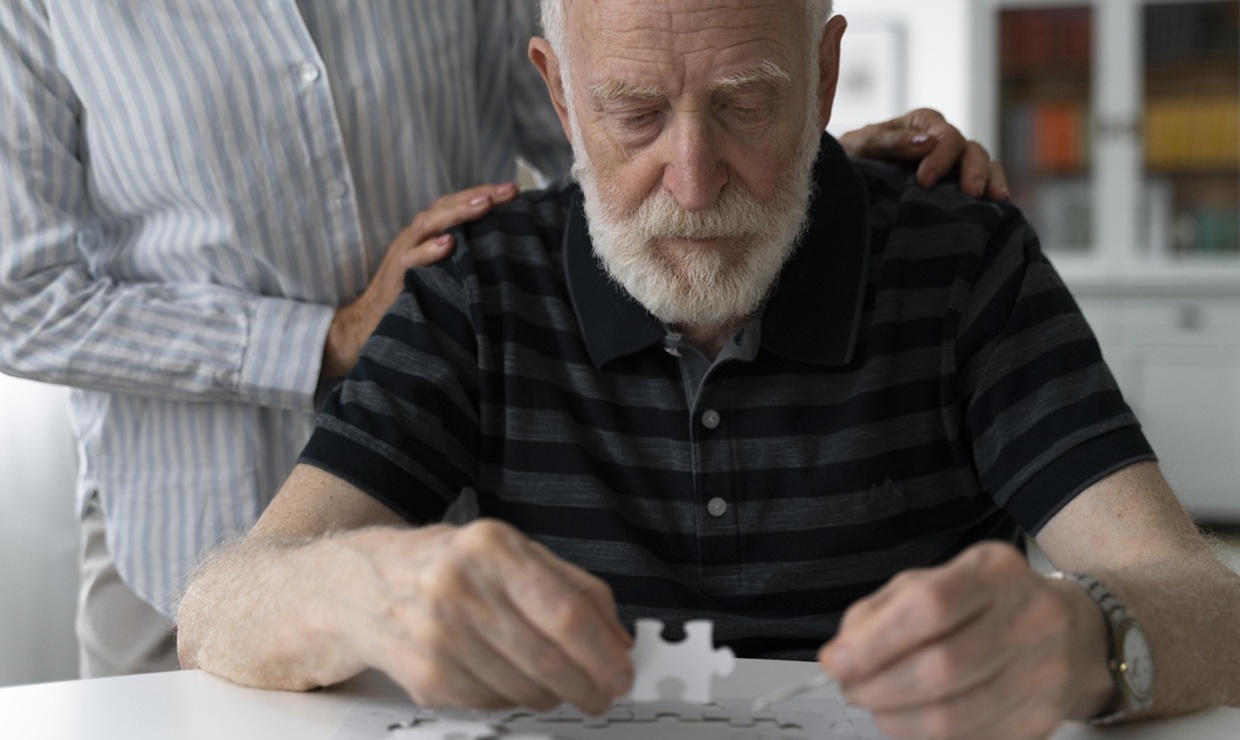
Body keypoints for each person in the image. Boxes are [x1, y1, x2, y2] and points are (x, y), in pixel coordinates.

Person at [176, 1, 1240, 737]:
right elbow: (217, 608)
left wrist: (1082, 636)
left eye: (745, 105)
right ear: (556, 93)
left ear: (823, 75)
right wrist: (367, 588)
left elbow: (1211, 605)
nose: (690, 185)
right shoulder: (479, 285)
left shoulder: (963, 262)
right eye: (633, 113)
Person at [0, 1, 1005, 681]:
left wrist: (797, 167)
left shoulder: (965, 266)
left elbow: (608, 114)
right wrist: (326, 339)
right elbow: (19, 295)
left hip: (452, 471)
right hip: (182, 506)